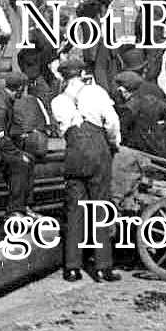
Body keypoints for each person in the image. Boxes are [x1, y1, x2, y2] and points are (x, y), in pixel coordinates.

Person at [51, 56, 122, 283]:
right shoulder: (97, 93)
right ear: (82, 74)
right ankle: (103, 267)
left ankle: (72, 268)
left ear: (64, 76)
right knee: (100, 208)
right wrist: (113, 143)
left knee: (74, 211)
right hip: (98, 151)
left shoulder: (57, 101)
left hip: (74, 155)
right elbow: (112, 122)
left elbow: (64, 130)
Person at [0, 72, 36, 217]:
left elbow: (10, 125)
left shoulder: (4, 98)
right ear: (20, 88)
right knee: (20, 163)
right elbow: (0, 136)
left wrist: (22, 134)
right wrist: (17, 154)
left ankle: (24, 205)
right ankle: (14, 209)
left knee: (29, 158)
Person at [114, 70, 166, 156]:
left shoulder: (128, 108)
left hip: (138, 150)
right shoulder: (152, 100)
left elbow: (121, 132)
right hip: (157, 146)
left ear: (123, 90)